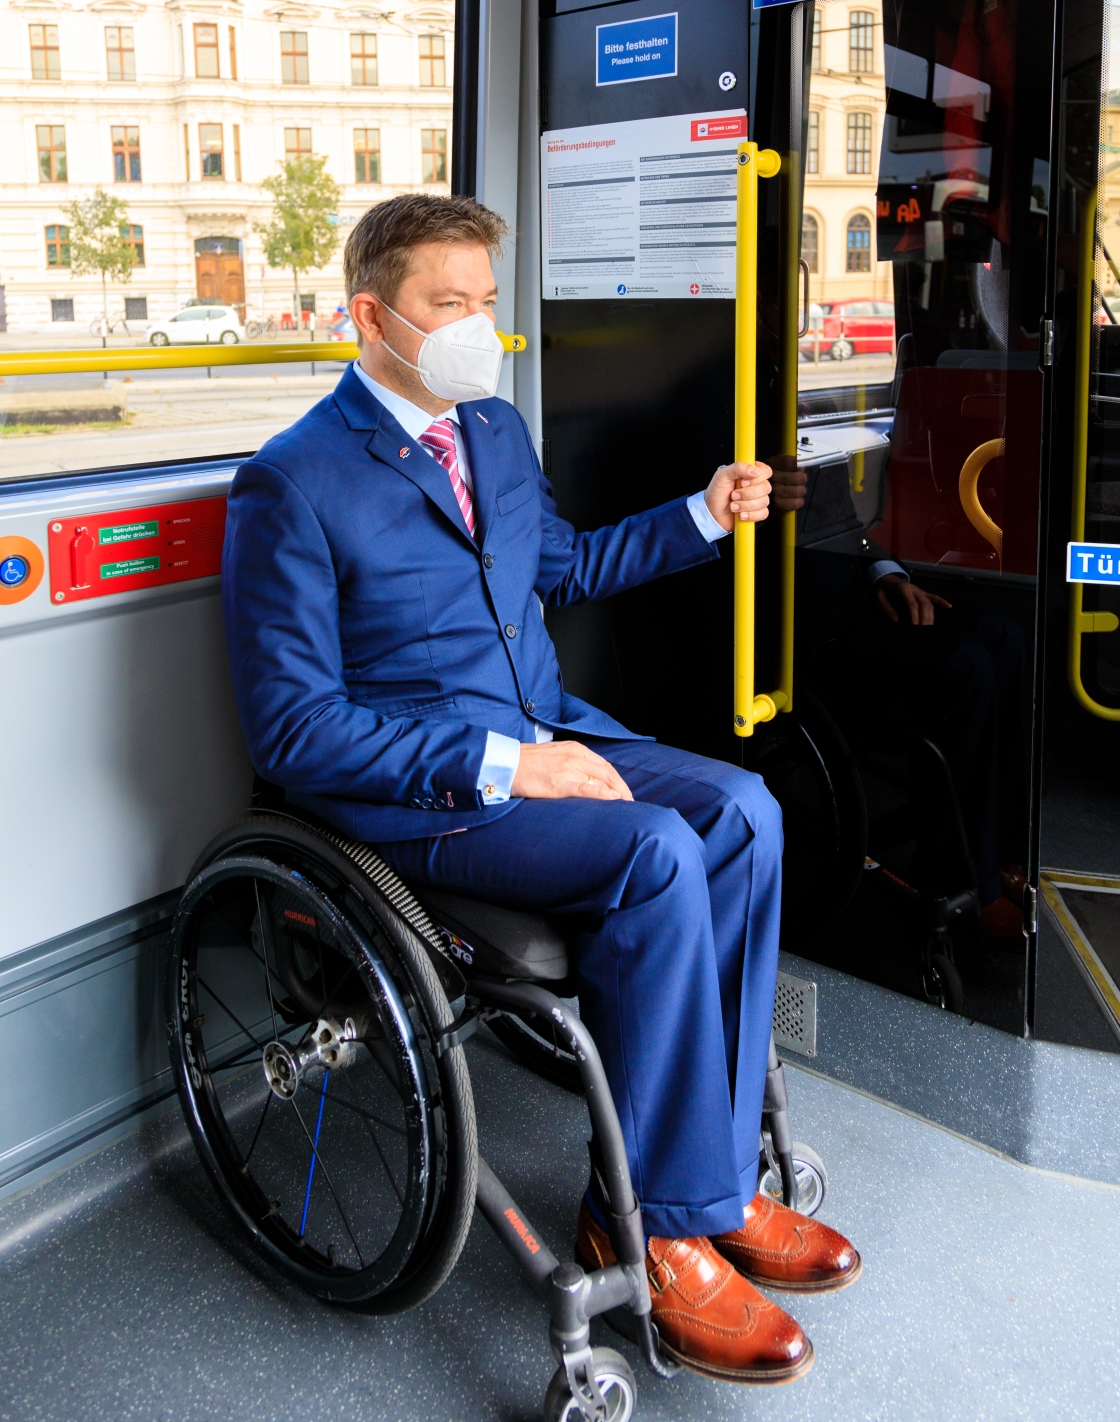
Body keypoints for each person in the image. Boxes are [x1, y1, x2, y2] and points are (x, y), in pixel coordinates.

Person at [223, 195, 861, 1388]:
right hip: (423, 797)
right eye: (445, 304)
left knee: (746, 811)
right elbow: (296, 727)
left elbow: (556, 571)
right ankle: (650, 1228)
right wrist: (512, 766)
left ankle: (708, 1192)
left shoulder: (495, 432)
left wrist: (700, 516)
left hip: (544, 732)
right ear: (371, 315)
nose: (475, 326)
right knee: (656, 849)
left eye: (483, 302)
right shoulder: (291, 485)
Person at [766, 452, 1028, 950]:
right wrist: (750, 501)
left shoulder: (809, 406)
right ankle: (961, 882)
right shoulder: (728, 406)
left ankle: (1000, 854)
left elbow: (843, 525)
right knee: (964, 663)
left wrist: (887, 575)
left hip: (856, 601)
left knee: (1003, 634)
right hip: (799, 633)